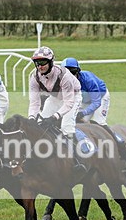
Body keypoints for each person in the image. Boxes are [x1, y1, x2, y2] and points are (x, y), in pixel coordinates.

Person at [41, 57, 115, 220]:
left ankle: (118, 144)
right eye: (68, 73)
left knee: (97, 124)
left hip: (100, 99)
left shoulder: (88, 79)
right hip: (79, 100)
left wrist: (83, 113)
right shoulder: (63, 81)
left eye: (74, 73)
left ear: (78, 72)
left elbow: (96, 102)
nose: (71, 76)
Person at [28, 46, 87, 174]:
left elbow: (68, 102)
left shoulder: (63, 75)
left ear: (51, 62)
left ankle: (79, 161)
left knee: (66, 126)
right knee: (39, 126)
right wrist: (31, 118)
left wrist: (55, 117)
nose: (40, 66)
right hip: (54, 98)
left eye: (43, 62)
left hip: (73, 97)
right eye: (37, 63)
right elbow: (34, 103)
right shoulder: (34, 77)